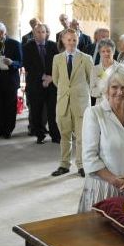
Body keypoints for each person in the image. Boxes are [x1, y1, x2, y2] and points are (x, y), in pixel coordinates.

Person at [78, 64, 124, 213]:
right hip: (104, 188)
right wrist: (114, 180)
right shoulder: (94, 114)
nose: (120, 92)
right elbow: (89, 157)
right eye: (114, 87)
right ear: (106, 89)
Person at [51, 28, 93, 178]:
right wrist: (66, 92)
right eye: (68, 40)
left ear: (78, 40)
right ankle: (64, 164)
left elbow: (91, 79)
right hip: (63, 103)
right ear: (63, 41)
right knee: (64, 136)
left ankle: (81, 165)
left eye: (74, 40)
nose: (71, 43)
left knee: (82, 137)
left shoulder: (86, 58)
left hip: (81, 103)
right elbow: (56, 80)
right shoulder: (57, 59)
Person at [23, 23, 60, 144]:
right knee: (36, 111)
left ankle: (55, 135)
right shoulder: (28, 47)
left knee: (52, 111)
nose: (40, 34)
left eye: (43, 32)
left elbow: (58, 64)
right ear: (33, 34)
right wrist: (43, 77)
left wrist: (50, 78)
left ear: (46, 33)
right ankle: (40, 135)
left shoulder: (53, 46)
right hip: (35, 84)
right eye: (38, 32)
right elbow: (28, 66)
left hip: (52, 83)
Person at [0, 22, 23, 139]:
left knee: (10, 106)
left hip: (10, 79)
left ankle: (8, 129)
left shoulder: (15, 44)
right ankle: (0, 128)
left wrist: (12, 63)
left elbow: (21, 62)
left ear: (2, 33)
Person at [89, 39, 116, 106]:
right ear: (100, 53)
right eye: (103, 51)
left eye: (108, 51)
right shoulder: (95, 69)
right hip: (100, 106)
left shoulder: (121, 68)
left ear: (113, 52)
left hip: (117, 105)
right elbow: (91, 91)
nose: (106, 53)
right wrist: (104, 90)